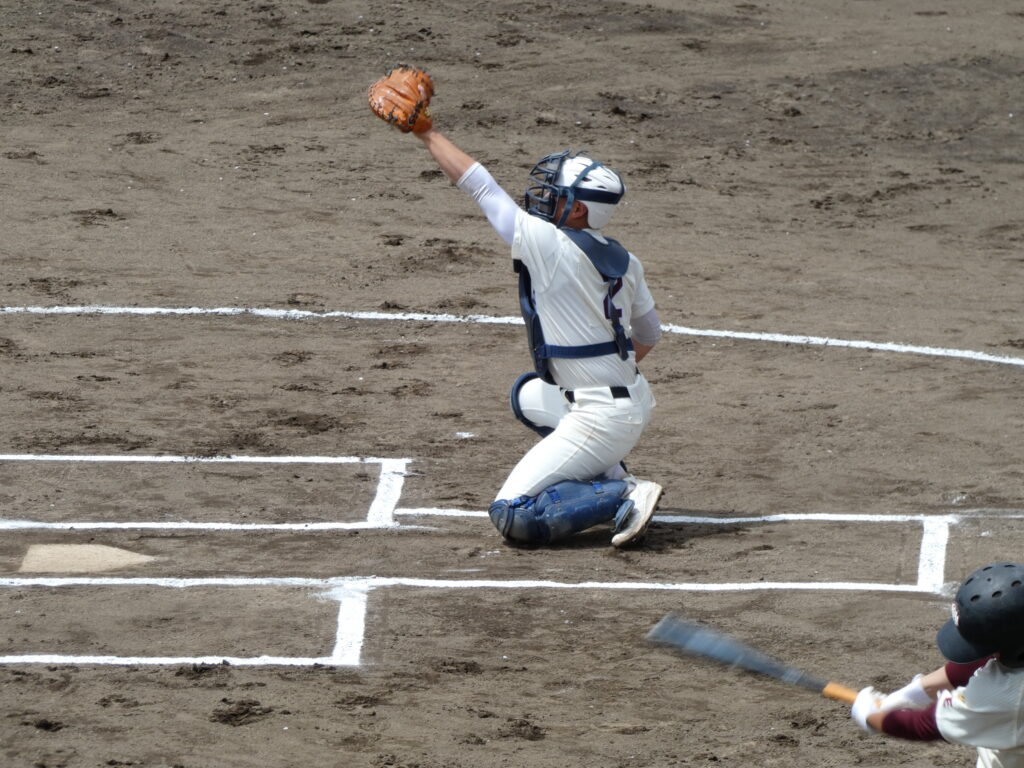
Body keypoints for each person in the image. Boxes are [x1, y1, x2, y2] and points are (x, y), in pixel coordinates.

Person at [405, 121, 664, 547]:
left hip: (602, 418)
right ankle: (608, 469)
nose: (545, 198)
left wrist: (426, 133)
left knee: (512, 514)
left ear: (578, 210)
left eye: (556, 194)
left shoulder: (550, 245)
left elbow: (482, 188)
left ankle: (624, 494)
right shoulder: (628, 261)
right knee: (527, 396)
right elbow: (650, 334)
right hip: (631, 399)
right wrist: (609, 371)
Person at [851, 562, 1024, 767]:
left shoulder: (1003, 696)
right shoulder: (1017, 642)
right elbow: (984, 659)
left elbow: (924, 725)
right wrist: (915, 693)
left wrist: (872, 717)